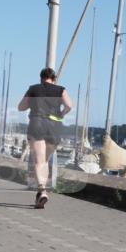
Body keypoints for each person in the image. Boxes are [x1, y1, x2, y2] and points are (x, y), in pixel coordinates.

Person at [17, 67, 73, 209]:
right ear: (53, 79)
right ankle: (42, 192)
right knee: (45, 161)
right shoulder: (61, 89)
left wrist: (32, 103)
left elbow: (21, 107)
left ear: (41, 78)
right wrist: (61, 114)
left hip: (37, 123)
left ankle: (42, 190)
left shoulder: (33, 89)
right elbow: (69, 105)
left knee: (39, 161)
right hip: (54, 127)